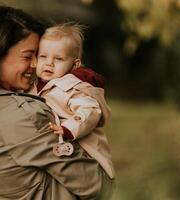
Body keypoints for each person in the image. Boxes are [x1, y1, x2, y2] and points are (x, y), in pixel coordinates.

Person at [0, 6, 113, 200]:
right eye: (28, 56)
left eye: (37, 55)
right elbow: (98, 186)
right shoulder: (22, 114)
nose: (35, 65)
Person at [28, 22, 115, 188]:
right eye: (43, 56)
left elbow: (90, 110)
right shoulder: (35, 85)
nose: (49, 63)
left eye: (58, 58)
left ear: (74, 65)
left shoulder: (72, 87)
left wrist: (69, 128)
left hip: (89, 156)